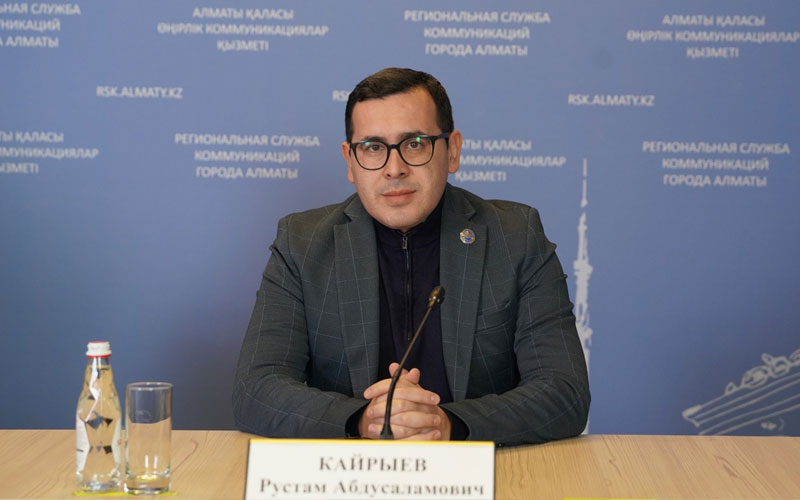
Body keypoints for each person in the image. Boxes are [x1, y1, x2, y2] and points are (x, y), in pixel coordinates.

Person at [233, 67, 590, 445]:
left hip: (477, 471)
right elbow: (255, 389)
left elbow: (564, 392)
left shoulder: (515, 238)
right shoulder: (302, 244)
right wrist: (363, 420)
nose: (394, 169)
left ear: (452, 151)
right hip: (350, 471)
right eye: (373, 147)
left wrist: (446, 424)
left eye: (415, 143)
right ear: (350, 161)